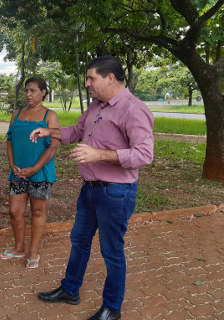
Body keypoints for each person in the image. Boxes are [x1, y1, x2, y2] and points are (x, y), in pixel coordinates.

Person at [30, 56, 154, 320]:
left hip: (116, 194)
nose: (87, 84)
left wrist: (99, 154)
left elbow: (144, 154)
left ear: (110, 78)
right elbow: (76, 131)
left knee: (111, 251)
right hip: (89, 189)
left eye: (91, 78)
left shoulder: (134, 109)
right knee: (79, 241)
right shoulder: (97, 105)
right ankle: (70, 290)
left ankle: (112, 308)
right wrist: (48, 132)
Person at [0, 78, 60, 268]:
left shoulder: (50, 115)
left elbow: (53, 147)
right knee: (15, 211)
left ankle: (33, 251)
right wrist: (11, 164)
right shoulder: (16, 114)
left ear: (43, 92)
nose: (28, 94)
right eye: (26, 91)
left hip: (40, 173)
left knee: (37, 211)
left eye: (33, 90)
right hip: (17, 173)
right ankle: (19, 248)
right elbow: (9, 141)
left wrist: (34, 168)